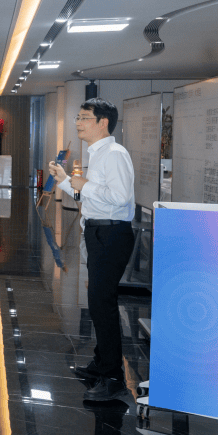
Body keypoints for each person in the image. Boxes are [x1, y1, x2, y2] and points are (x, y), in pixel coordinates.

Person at [49, 98, 135, 402]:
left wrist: (82, 183)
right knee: (97, 302)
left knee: (102, 303)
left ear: (103, 122)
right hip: (99, 231)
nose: (78, 122)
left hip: (112, 234)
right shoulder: (97, 154)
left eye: (84, 117)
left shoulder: (114, 154)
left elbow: (120, 197)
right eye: (78, 117)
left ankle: (113, 377)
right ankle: (101, 364)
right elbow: (90, 195)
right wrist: (65, 182)